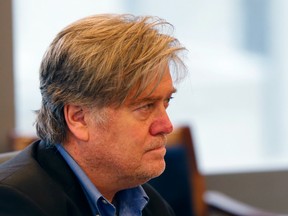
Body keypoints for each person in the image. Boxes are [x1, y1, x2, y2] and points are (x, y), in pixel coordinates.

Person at [0, 14, 186, 216]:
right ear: (78, 118)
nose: (166, 126)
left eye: (166, 102)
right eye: (145, 106)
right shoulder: (14, 203)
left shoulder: (147, 203)